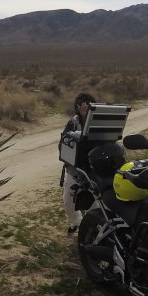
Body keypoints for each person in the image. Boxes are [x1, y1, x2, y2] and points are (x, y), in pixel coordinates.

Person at [60, 92, 95, 234]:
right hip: (74, 169)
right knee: (68, 201)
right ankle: (79, 222)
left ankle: (91, 226)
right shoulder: (72, 123)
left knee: (95, 202)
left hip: (94, 168)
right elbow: (63, 143)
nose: (83, 106)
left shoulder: (99, 122)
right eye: (80, 103)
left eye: (87, 102)